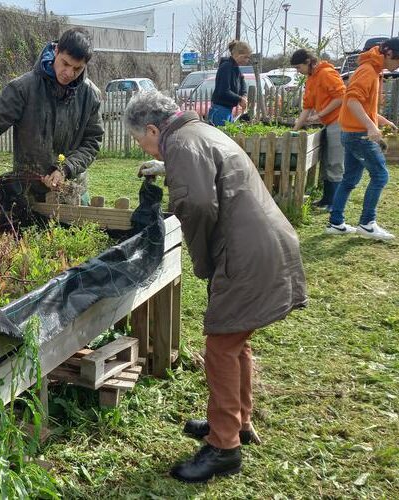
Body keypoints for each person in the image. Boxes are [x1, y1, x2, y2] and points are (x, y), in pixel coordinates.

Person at [125, 91, 307, 483]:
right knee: (235, 341)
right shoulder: (200, 132)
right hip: (265, 243)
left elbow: (199, 207)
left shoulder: (184, 144)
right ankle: (237, 421)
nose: (150, 150)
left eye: (145, 141)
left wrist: (204, 262)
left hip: (246, 253)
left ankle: (224, 448)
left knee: (221, 346)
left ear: (155, 129)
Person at [0, 27, 104, 206]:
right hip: (27, 195)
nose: (69, 73)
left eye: (77, 68)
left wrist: (66, 169)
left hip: (72, 192)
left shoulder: (90, 95)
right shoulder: (24, 88)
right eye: (65, 63)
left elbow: (92, 141)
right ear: (56, 51)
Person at [326, 38, 399, 240]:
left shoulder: (372, 69)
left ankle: (336, 222)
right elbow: (352, 101)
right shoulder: (368, 70)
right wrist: (370, 126)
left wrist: (381, 121)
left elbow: (363, 105)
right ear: (390, 54)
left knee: (349, 179)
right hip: (359, 135)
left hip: (351, 132)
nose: (398, 66)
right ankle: (367, 224)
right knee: (381, 176)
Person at [291, 49, 346, 211]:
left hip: (340, 121)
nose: (297, 71)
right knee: (327, 161)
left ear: (308, 62)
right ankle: (326, 200)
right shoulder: (310, 80)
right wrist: (294, 130)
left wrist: (319, 115)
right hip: (329, 123)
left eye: (298, 67)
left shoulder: (327, 74)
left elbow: (341, 97)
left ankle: (334, 203)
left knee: (335, 162)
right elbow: (307, 108)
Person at [209, 40, 251, 126]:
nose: (247, 60)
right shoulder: (226, 67)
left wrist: (244, 96)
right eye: (246, 57)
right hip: (220, 111)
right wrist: (239, 99)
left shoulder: (236, 68)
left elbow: (243, 83)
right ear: (238, 55)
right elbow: (224, 91)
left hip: (227, 110)